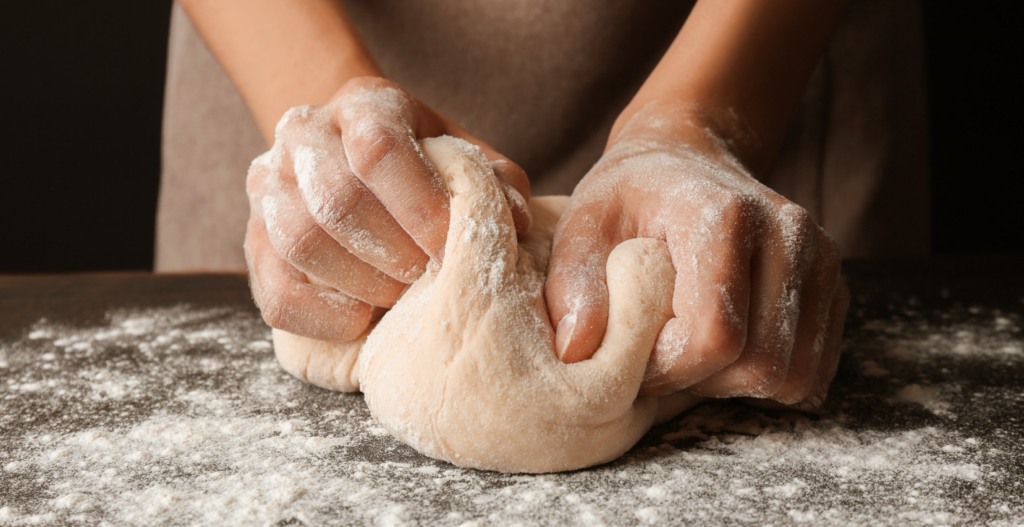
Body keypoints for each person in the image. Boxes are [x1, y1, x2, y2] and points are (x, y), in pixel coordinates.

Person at [156, 0, 929, 408]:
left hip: (755, 61)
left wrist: (704, 117)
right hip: (283, 46)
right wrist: (328, 117)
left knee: (741, 326)